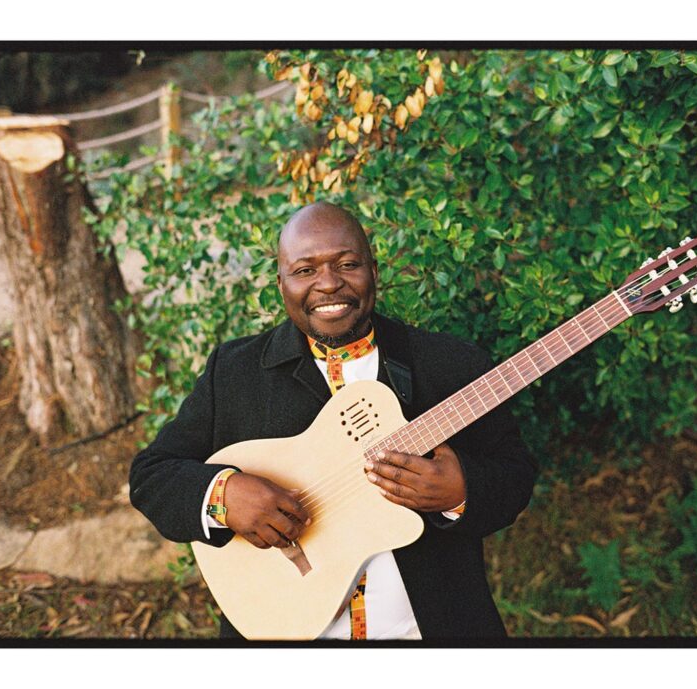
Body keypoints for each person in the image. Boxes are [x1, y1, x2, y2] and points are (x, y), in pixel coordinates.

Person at [129, 201, 537, 640]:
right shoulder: (235, 372)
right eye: (305, 270)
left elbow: (514, 476)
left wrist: (460, 492)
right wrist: (224, 496)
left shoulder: (448, 363)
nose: (328, 284)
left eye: (347, 264)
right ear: (280, 282)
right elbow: (152, 477)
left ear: (373, 271)